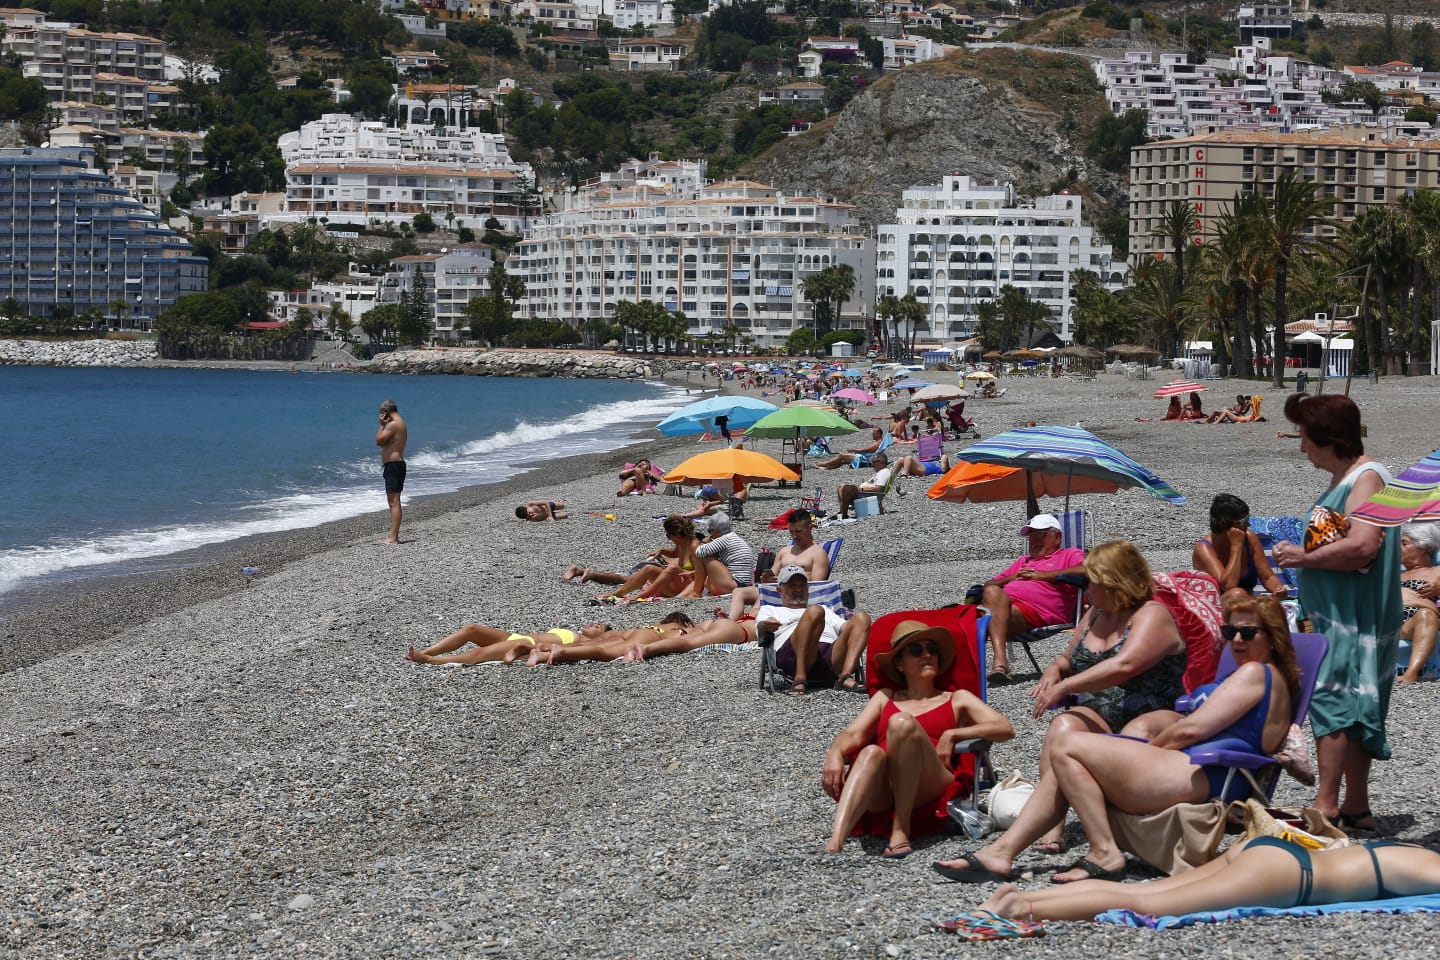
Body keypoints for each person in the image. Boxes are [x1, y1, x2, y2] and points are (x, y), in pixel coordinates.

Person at [954, 595, 1298, 884]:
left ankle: (1101, 852)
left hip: (1212, 773)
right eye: (1230, 631)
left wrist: (1140, 752)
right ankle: (1003, 853)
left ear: (1274, 635)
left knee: (1068, 745)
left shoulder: (1256, 672)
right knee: (1068, 756)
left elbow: (1191, 730)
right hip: (1198, 768)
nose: (1236, 639)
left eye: (1248, 632)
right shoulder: (1260, 674)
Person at [933, 541, 1187, 881]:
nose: (1087, 587)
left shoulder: (1151, 614)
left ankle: (1092, 848)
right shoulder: (1096, 613)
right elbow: (1068, 658)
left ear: (1115, 581)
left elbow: (1125, 665)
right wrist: (1055, 670)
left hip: (1155, 712)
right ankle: (1028, 841)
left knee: (1129, 736)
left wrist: (1067, 686)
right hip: (1102, 711)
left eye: (1092, 581)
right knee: (1063, 727)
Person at [1271, 393, 1401, 831]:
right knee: (1358, 702)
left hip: (1353, 616)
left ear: (1328, 438)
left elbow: (1364, 545)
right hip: (1340, 614)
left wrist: (1301, 558)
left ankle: (1326, 806)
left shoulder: (1366, 477)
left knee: (1333, 704)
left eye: (1306, 438)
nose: (1302, 447)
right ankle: (1356, 807)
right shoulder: (1352, 475)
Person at [823, 621, 1015, 859]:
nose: (927, 655)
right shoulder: (885, 697)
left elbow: (1005, 728)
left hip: (932, 781)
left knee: (901, 723)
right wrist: (834, 753)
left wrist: (954, 733)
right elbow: (852, 734)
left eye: (932, 649)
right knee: (869, 753)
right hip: (886, 788)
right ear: (900, 664)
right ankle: (835, 842)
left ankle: (901, 828)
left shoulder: (956, 699)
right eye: (916, 650)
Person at [972, 835, 1440, 922]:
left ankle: (1018, 895)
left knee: (1142, 892)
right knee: (1149, 905)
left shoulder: (1416, 851)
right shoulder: (1429, 866)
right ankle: (1023, 909)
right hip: (1288, 877)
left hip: (1270, 854)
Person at [980, 514, 1087, 683]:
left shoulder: (1069, 554)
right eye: (1031, 536)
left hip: (1038, 613)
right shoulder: (1024, 561)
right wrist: (1011, 578)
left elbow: (1089, 570)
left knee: (974, 617)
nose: (1034, 540)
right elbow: (988, 584)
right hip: (1003, 608)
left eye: (1041, 535)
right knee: (964, 613)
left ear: (1057, 537)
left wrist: (1045, 575)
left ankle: (1000, 661)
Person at [757, 565, 871, 695]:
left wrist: (859, 627)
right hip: (792, 655)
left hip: (830, 658)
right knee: (815, 612)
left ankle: (845, 676)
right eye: (792, 585)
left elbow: (847, 628)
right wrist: (766, 625)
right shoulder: (771, 610)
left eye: (802, 585)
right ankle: (800, 677)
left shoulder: (825, 610)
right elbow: (760, 629)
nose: (798, 589)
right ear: (780, 590)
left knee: (862, 618)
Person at [725, 509, 831, 620]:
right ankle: (731, 619)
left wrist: (794, 578)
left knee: (768, 596)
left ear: (810, 528)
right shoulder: (785, 551)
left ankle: (745, 619)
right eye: (791, 532)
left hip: (794, 593)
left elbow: (817, 585)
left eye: (798, 531)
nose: (794, 536)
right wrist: (767, 578)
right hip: (775, 589)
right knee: (739, 591)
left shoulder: (818, 554)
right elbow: (772, 574)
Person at [1191, 494, 1288, 601]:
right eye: (1244, 521)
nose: (1249, 524)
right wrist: (1236, 546)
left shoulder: (1249, 537)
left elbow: (1267, 576)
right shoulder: (1204, 549)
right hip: (1216, 607)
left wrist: (1278, 589)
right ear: (1226, 524)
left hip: (1247, 605)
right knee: (1237, 593)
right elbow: (1228, 585)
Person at [593, 516, 701, 603]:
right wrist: (661, 551)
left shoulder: (694, 547)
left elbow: (703, 572)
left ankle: (641, 596)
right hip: (679, 584)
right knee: (648, 568)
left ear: (677, 534)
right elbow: (674, 553)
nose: (669, 538)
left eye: (669, 536)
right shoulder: (681, 544)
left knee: (672, 568)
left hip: (691, 587)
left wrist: (679, 571)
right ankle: (618, 593)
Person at [1397, 521, 1440, 683]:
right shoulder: (1394, 573)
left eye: (1404, 543)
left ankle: (1411, 673)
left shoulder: (1436, 572)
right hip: (1387, 622)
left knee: (1426, 615)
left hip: (1412, 623)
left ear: (1424, 547)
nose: (1398, 547)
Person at [689, 513, 755, 597]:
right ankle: (700, 592)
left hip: (736, 584)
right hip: (742, 584)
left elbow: (699, 552)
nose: (710, 535)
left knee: (703, 555)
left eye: (710, 531)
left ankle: (696, 593)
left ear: (716, 531)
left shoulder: (725, 539)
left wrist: (704, 542)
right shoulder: (732, 537)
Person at [376, 399, 407, 544]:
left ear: (386, 412)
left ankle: (393, 537)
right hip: (396, 464)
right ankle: (393, 536)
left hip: (394, 465)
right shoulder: (400, 423)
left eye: (381, 412)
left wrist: (381, 426)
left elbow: (379, 441)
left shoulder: (393, 424)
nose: (381, 415)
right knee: (394, 501)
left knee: (394, 502)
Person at [836, 452, 891, 519]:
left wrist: (860, 489)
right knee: (841, 486)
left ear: (879, 462)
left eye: (873, 462)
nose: (872, 464)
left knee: (845, 488)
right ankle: (842, 511)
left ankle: (843, 514)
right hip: (865, 493)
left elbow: (879, 489)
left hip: (867, 495)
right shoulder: (881, 472)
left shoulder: (883, 472)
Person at [815, 428, 887, 470]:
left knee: (841, 456)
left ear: (878, 434)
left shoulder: (878, 443)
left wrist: (853, 450)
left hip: (864, 459)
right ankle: (827, 468)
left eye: (874, 433)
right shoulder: (879, 442)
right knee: (843, 461)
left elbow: (866, 450)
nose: (872, 435)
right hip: (866, 457)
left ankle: (824, 464)